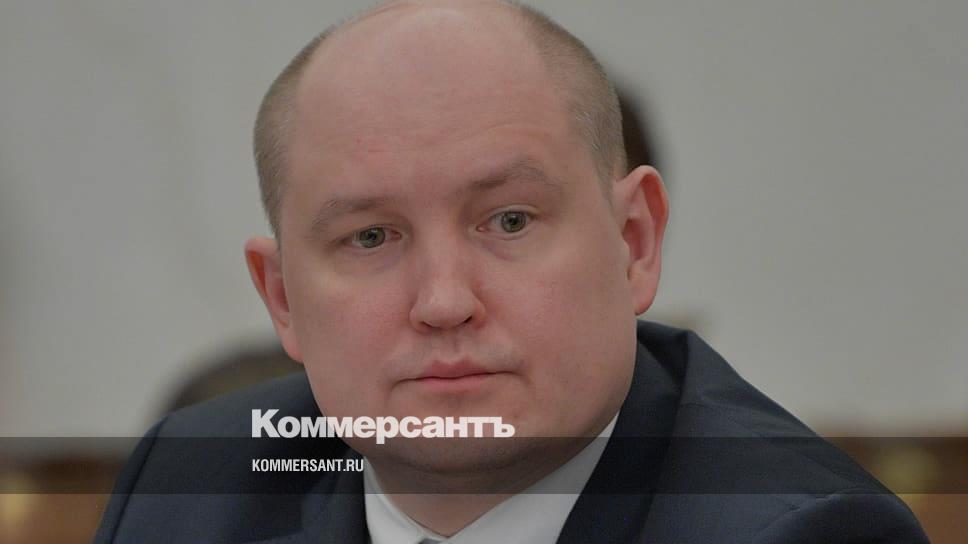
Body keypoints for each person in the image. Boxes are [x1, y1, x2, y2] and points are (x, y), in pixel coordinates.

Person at [95, 1, 928, 542]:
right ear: (282, 298)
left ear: (634, 242)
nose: (444, 301)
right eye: (371, 237)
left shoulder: (799, 532)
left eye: (509, 221)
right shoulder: (188, 488)